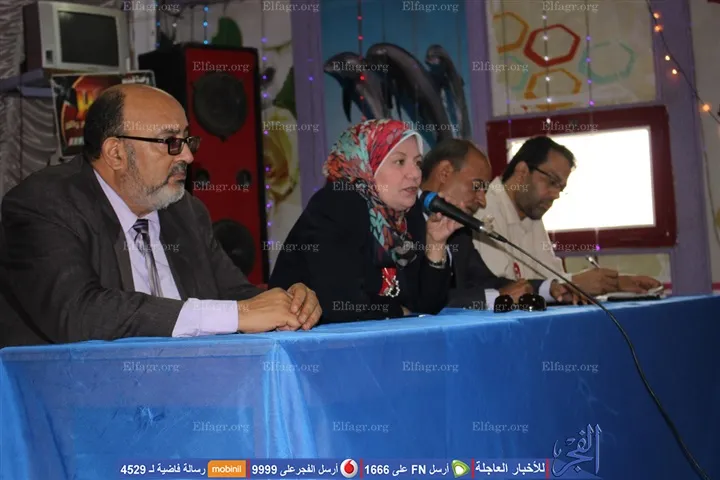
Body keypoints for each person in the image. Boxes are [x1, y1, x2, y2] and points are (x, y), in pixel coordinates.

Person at [0, 84, 320, 347]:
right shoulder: (45, 204)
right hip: (81, 394)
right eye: (170, 142)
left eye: (187, 140)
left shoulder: (184, 210)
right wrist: (239, 313)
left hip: (192, 385)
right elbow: (79, 314)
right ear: (115, 153)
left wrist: (288, 303)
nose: (188, 156)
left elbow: (233, 295)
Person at [269, 119, 463, 323]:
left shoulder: (405, 215)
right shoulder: (337, 203)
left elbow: (427, 307)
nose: (415, 174)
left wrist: (435, 244)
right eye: (399, 162)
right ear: (367, 164)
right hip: (305, 338)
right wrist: (398, 311)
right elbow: (341, 306)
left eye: (417, 163)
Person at [473, 135, 662, 296]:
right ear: (522, 172)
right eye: (552, 182)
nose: (555, 195)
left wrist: (615, 283)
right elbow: (502, 289)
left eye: (560, 188)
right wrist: (575, 283)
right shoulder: (483, 208)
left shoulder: (531, 214)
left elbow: (550, 279)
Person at [420, 138, 579, 308]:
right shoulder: (405, 220)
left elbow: (485, 281)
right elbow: (420, 299)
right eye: (477, 186)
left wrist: (547, 289)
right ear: (445, 173)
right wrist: (497, 297)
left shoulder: (459, 232)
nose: (483, 201)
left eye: (485, 190)